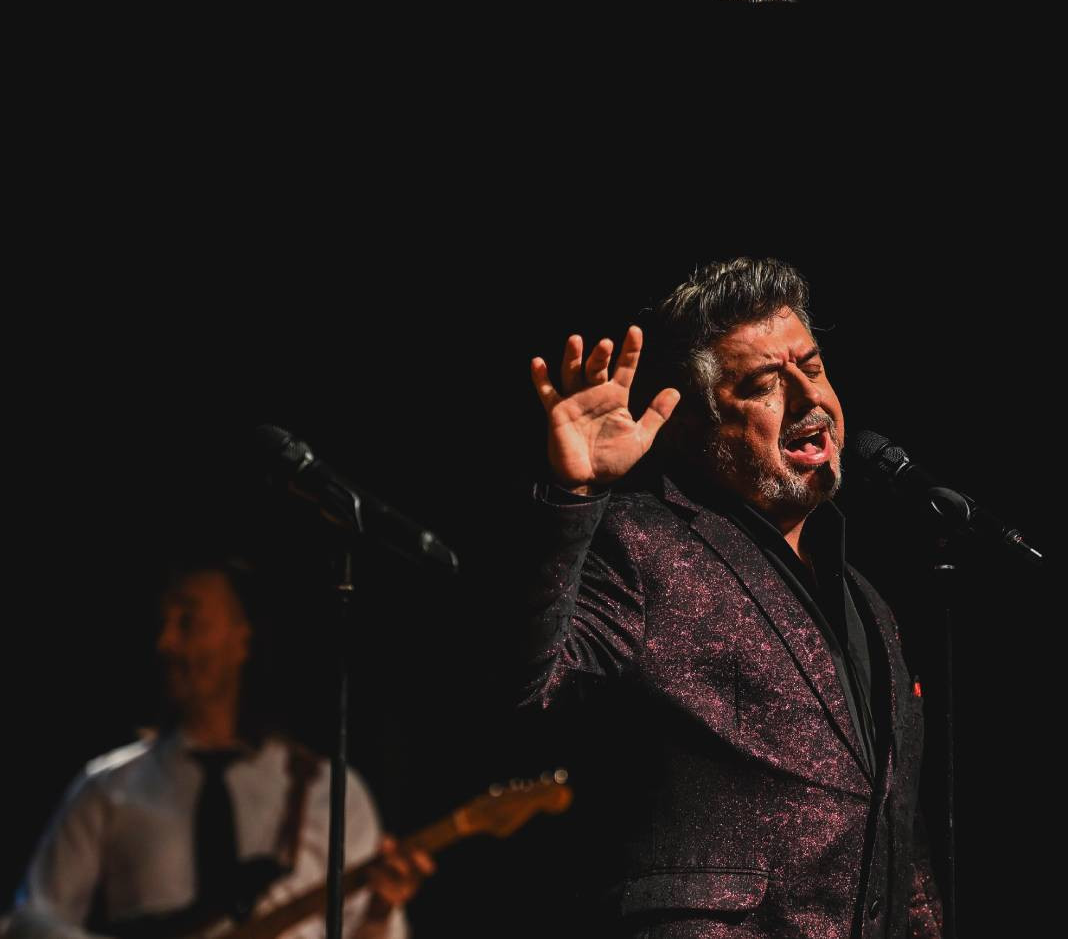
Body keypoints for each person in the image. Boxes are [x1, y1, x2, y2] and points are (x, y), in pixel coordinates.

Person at [524, 257, 945, 938]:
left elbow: (899, 829)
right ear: (696, 426)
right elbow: (526, 684)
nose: (806, 398)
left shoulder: (869, 603)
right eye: (762, 385)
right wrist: (573, 497)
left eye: (812, 368)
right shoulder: (642, 542)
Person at [3, 558, 433, 939]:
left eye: (187, 622)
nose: (166, 643)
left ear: (243, 638)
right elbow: (28, 921)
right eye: (162, 623)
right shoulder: (108, 786)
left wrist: (381, 911)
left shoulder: (331, 790)